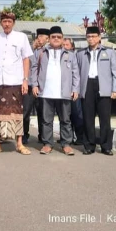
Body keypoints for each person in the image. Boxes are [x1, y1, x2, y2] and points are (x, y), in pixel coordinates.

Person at [0, 12, 33, 155]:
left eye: (9, 21)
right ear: (0, 23)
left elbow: (26, 59)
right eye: (4, 21)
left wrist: (25, 80)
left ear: (13, 23)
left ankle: (19, 143)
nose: (7, 24)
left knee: (17, 112)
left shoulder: (21, 37)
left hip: (15, 81)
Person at [31, 26, 80, 155]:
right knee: (46, 120)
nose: (56, 39)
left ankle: (66, 144)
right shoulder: (41, 52)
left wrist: (75, 89)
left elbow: (76, 73)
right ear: (49, 39)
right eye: (53, 37)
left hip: (64, 93)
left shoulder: (70, 54)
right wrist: (35, 85)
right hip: (46, 92)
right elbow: (34, 69)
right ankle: (47, 144)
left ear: (62, 39)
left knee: (65, 120)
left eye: (59, 37)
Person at [77, 26, 116, 156]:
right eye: (88, 37)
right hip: (87, 85)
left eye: (94, 36)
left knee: (105, 118)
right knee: (87, 117)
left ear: (99, 37)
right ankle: (89, 145)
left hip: (104, 86)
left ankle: (106, 146)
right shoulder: (80, 53)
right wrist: (76, 90)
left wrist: (115, 89)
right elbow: (77, 73)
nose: (91, 39)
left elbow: (115, 72)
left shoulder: (109, 52)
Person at [24, 28, 49, 144]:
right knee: (26, 112)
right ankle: (24, 135)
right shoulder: (30, 49)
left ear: (47, 39)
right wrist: (32, 47)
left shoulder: (48, 51)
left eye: (42, 37)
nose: (39, 39)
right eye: (38, 36)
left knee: (42, 112)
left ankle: (43, 136)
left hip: (43, 86)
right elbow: (24, 60)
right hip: (29, 85)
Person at [63, 37, 85, 145]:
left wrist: (76, 89)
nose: (65, 47)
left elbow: (78, 74)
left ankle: (80, 137)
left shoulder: (77, 56)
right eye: (64, 45)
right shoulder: (61, 56)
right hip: (64, 91)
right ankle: (68, 137)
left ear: (72, 46)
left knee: (77, 115)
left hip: (75, 91)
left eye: (67, 45)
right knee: (66, 115)